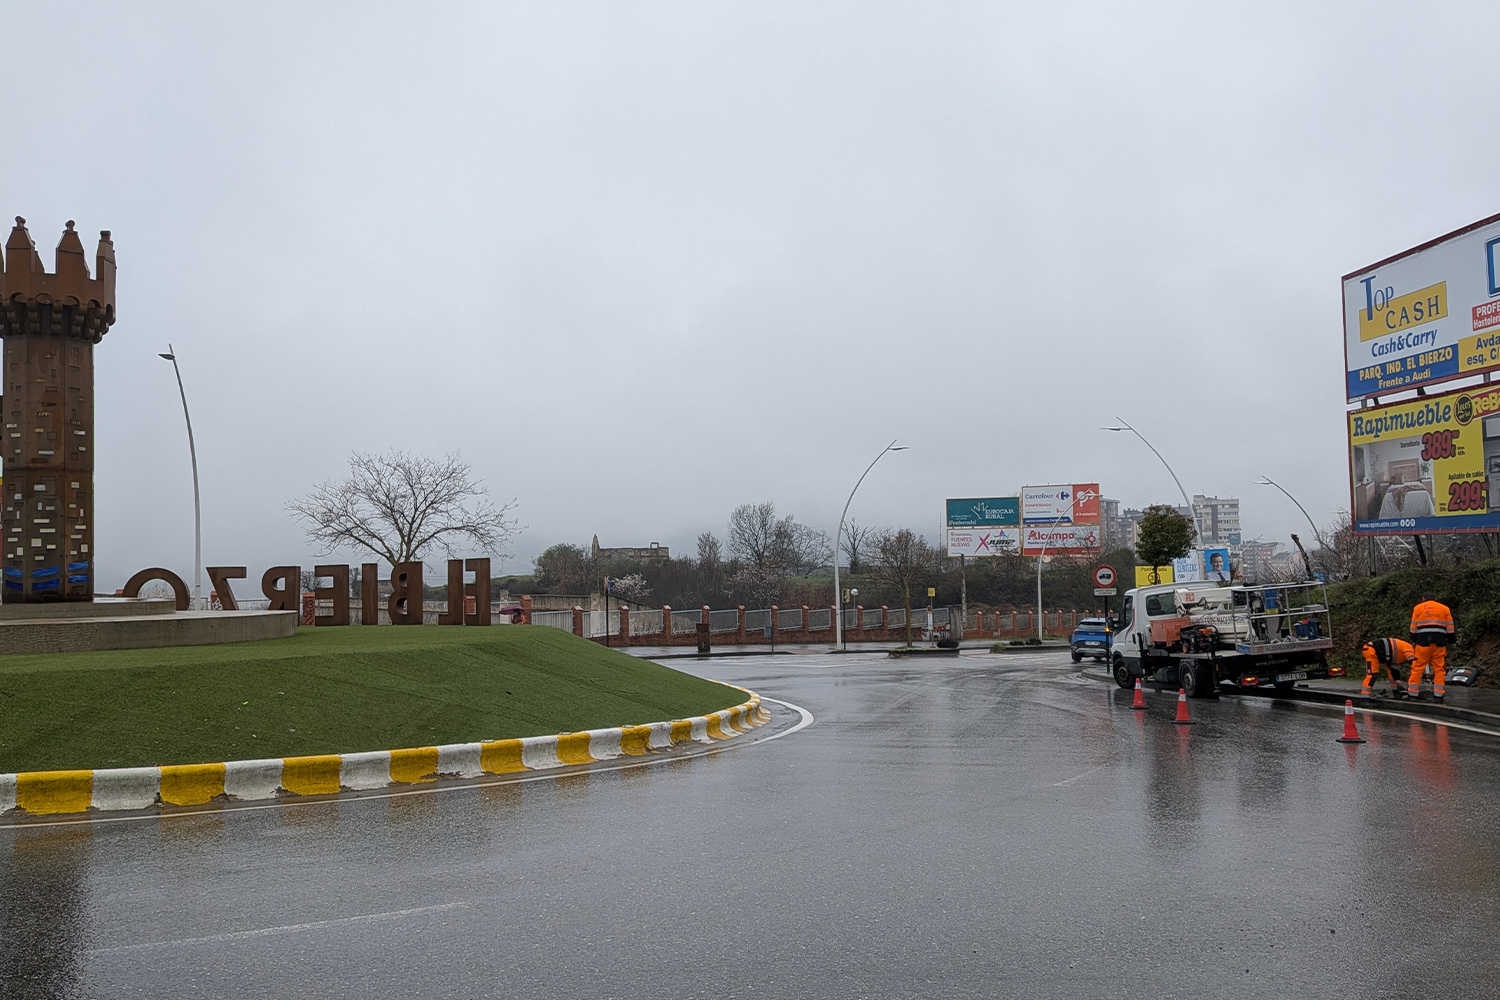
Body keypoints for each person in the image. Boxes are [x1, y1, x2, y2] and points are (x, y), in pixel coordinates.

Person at [1409, 591, 1455, 701]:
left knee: (1417, 668)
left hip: (1423, 643)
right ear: (1435, 598)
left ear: (1423, 598)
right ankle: (1438, 695)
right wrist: (1451, 641)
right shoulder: (1445, 609)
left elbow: (1413, 628)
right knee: (1439, 669)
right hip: (1439, 644)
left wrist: (1415, 640)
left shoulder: (1418, 608)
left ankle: (1412, 694)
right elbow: (1450, 628)